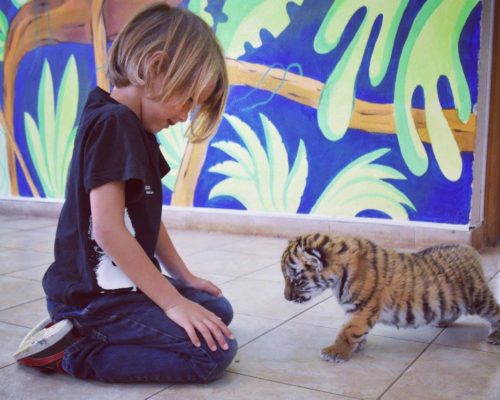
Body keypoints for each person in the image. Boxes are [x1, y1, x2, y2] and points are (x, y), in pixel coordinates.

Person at [13, 3, 237, 383]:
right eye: (188, 101)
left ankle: (85, 330)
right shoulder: (114, 123)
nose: (185, 116)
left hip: (121, 290)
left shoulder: (138, 129)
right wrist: (172, 302)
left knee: (217, 310)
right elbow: (109, 230)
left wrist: (183, 277)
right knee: (211, 355)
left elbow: (146, 217)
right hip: (94, 299)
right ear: (156, 66)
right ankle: (74, 350)